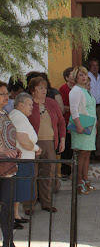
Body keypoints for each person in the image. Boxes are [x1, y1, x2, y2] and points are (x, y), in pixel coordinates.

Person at [23, 77, 66, 214]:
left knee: (48, 175)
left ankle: (46, 203)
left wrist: (62, 140)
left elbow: (61, 122)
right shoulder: (27, 103)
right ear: (32, 90)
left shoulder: (51, 103)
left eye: (45, 87)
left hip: (50, 143)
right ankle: (28, 205)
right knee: (31, 175)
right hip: (32, 145)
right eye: (40, 87)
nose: (44, 90)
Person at [0, 81, 26, 247]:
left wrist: (13, 148)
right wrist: (3, 150)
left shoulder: (3, 113)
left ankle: (8, 244)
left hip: (7, 166)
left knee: (7, 205)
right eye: (1, 94)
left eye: (6, 93)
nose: (6, 96)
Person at [9, 93, 41, 229]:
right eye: (29, 104)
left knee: (18, 191)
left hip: (24, 159)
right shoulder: (19, 117)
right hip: (21, 161)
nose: (32, 107)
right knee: (16, 189)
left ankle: (15, 215)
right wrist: (36, 147)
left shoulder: (18, 116)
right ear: (21, 104)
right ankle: (10, 218)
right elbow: (23, 140)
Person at [69, 66, 97, 195]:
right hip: (82, 125)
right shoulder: (76, 90)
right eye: (81, 75)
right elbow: (74, 109)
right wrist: (79, 125)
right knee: (81, 155)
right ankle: (78, 182)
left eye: (85, 75)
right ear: (76, 77)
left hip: (89, 126)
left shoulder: (85, 90)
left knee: (87, 154)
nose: (84, 77)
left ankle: (86, 180)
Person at [88, 58, 100, 160]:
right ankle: (89, 152)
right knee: (90, 131)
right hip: (89, 107)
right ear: (89, 67)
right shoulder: (86, 77)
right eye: (93, 65)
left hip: (99, 107)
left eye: (97, 65)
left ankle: (99, 153)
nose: (95, 67)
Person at [59, 67, 75, 179]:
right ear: (66, 78)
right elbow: (62, 107)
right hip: (67, 120)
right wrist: (74, 108)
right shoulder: (63, 89)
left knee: (76, 146)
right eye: (71, 75)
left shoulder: (79, 88)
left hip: (77, 120)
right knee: (67, 147)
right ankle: (65, 172)